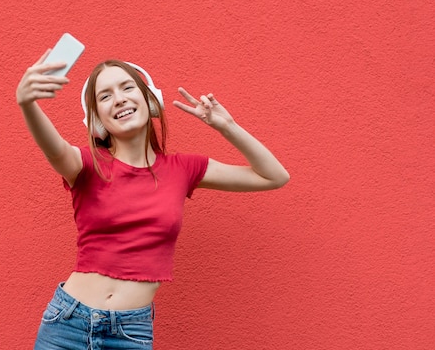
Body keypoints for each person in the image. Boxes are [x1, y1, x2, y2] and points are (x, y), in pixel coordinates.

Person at [16, 49, 289, 349]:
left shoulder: (183, 169)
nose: (118, 98)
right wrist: (28, 104)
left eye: (127, 87)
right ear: (98, 121)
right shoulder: (86, 164)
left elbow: (274, 176)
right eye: (104, 96)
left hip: (130, 334)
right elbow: (54, 149)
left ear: (150, 100)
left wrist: (227, 127)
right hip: (68, 325)